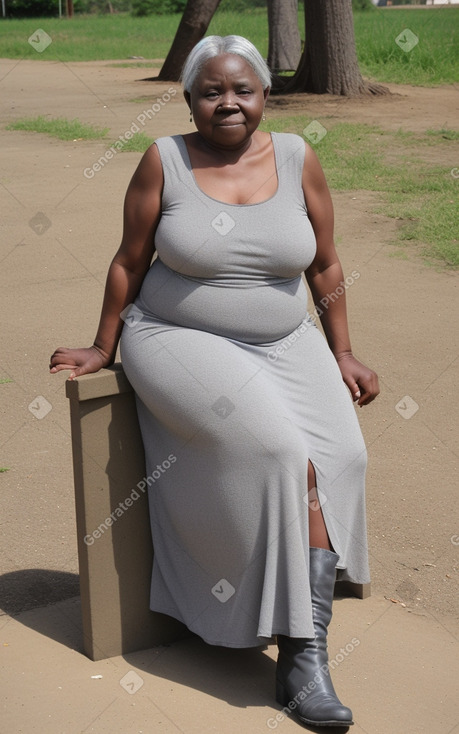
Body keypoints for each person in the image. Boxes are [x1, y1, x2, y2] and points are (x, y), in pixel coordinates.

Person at [50, 35, 379, 729]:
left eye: (242, 90)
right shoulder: (163, 160)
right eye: (211, 91)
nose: (227, 103)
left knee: (343, 456)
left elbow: (322, 263)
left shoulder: (296, 157)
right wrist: (102, 344)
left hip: (287, 337)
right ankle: (302, 655)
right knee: (279, 457)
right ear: (190, 99)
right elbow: (127, 260)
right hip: (178, 337)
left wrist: (341, 349)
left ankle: (299, 602)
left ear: (264, 95)